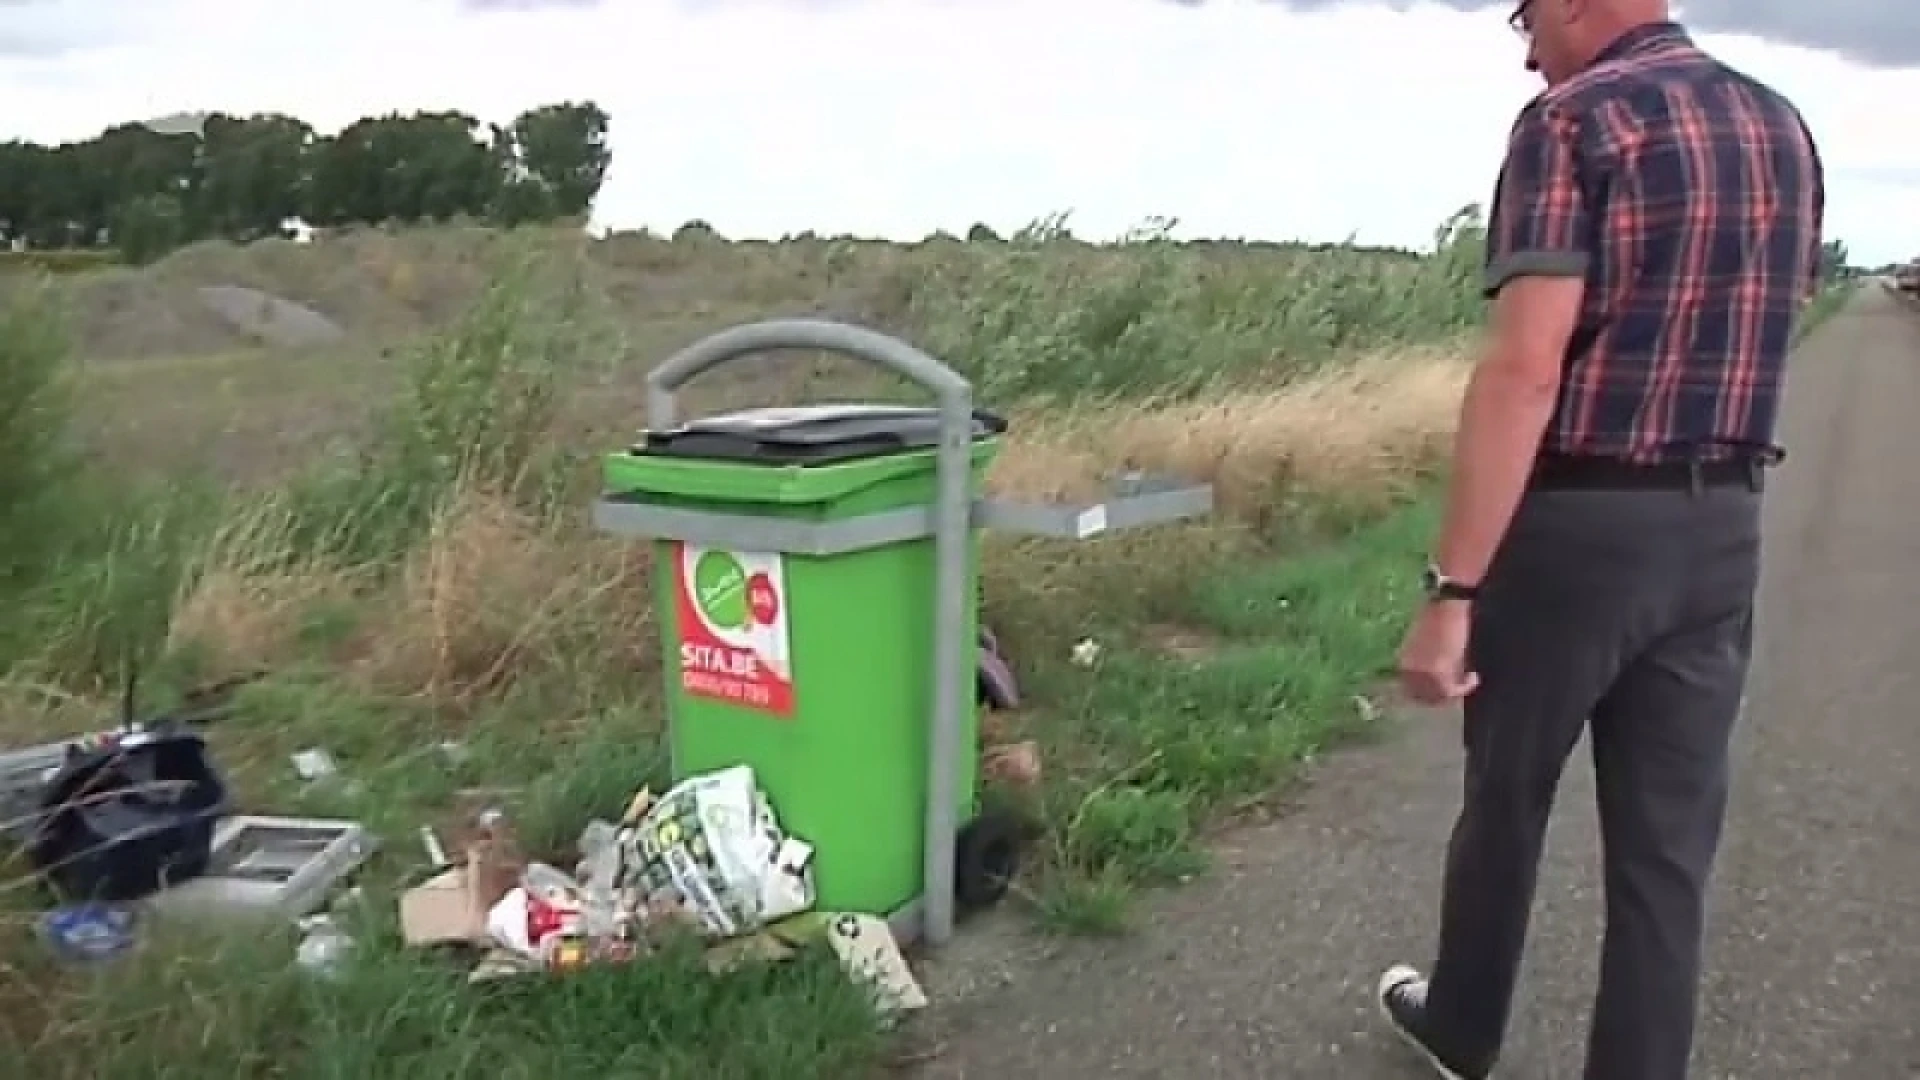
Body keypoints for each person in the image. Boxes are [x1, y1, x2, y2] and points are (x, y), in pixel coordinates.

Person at [1377, 1, 1826, 1079]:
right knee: (1667, 854)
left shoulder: (1573, 122)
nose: (1528, 47)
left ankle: (1463, 1027)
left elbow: (1526, 371)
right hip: (1723, 523)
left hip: (1579, 524)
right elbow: (1776, 313)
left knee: (1506, 800)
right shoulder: (1783, 127)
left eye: (1527, 17)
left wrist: (1453, 591)